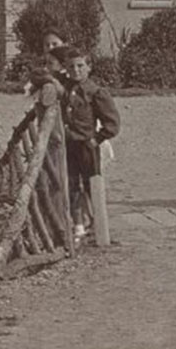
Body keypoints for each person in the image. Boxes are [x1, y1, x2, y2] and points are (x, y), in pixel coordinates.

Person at [52, 45, 120, 240]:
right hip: (69, 145)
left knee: (92, 184)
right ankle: (79, 224)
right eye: (71, 67)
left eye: (81, 66)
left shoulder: (95, 92)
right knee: (72, 185)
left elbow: (113, 123)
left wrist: (96, 139)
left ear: (89, 67)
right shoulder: (66, 88)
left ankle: (98, 226)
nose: (76, 70)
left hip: (87, 145)